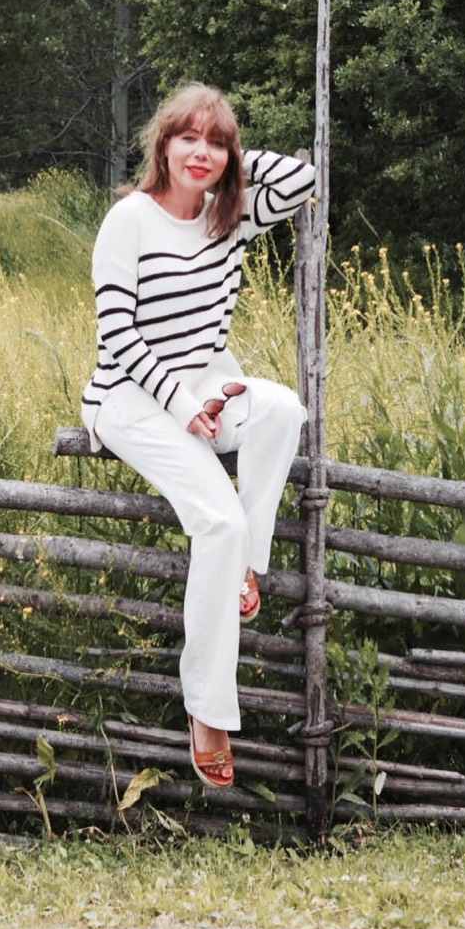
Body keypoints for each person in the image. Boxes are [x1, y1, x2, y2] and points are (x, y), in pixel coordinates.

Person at [80, 83, 315, 790]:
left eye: (216, 142)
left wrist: (235, 160)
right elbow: (117, 336)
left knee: (284, 410)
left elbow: (302, 180)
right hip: (131, 397)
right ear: (163, 144)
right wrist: (183, 406)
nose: (201, 153)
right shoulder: (129, 220)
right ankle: (208, 710)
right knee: (216, 520)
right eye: (188, 137)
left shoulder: (227, 216)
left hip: (208, 384)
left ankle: (247, 564)